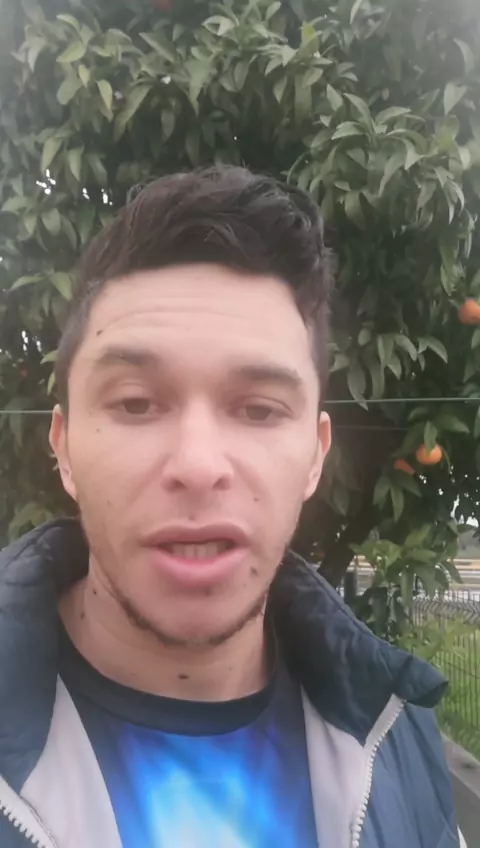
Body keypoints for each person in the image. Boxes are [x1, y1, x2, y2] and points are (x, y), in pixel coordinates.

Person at [0, 166, 463, 848]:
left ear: (315, 456)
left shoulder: (399, 741)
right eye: (136, 403)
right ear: (63, 448)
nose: (198, 466)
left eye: (259, 409)